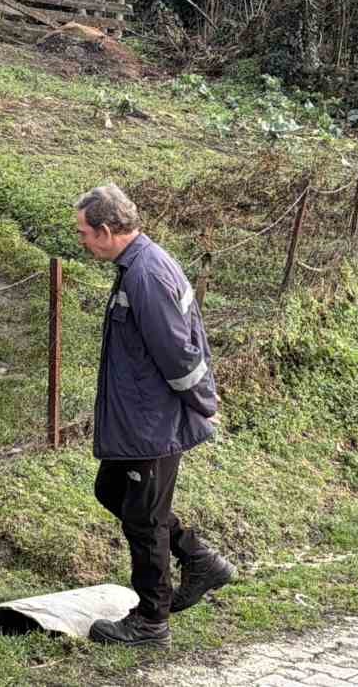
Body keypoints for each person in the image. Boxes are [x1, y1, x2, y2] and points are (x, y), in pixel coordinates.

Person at [74, 183, 235, 648]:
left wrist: (205, 404)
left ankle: (151, 621)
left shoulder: (145, 276)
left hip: (152, 425)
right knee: (111, 491)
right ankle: (199, 559)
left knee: (144, 520)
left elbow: (180, 354)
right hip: (139, 422)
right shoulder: (138, 265)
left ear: (106, 230)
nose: (81, 241)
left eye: (84, 232)